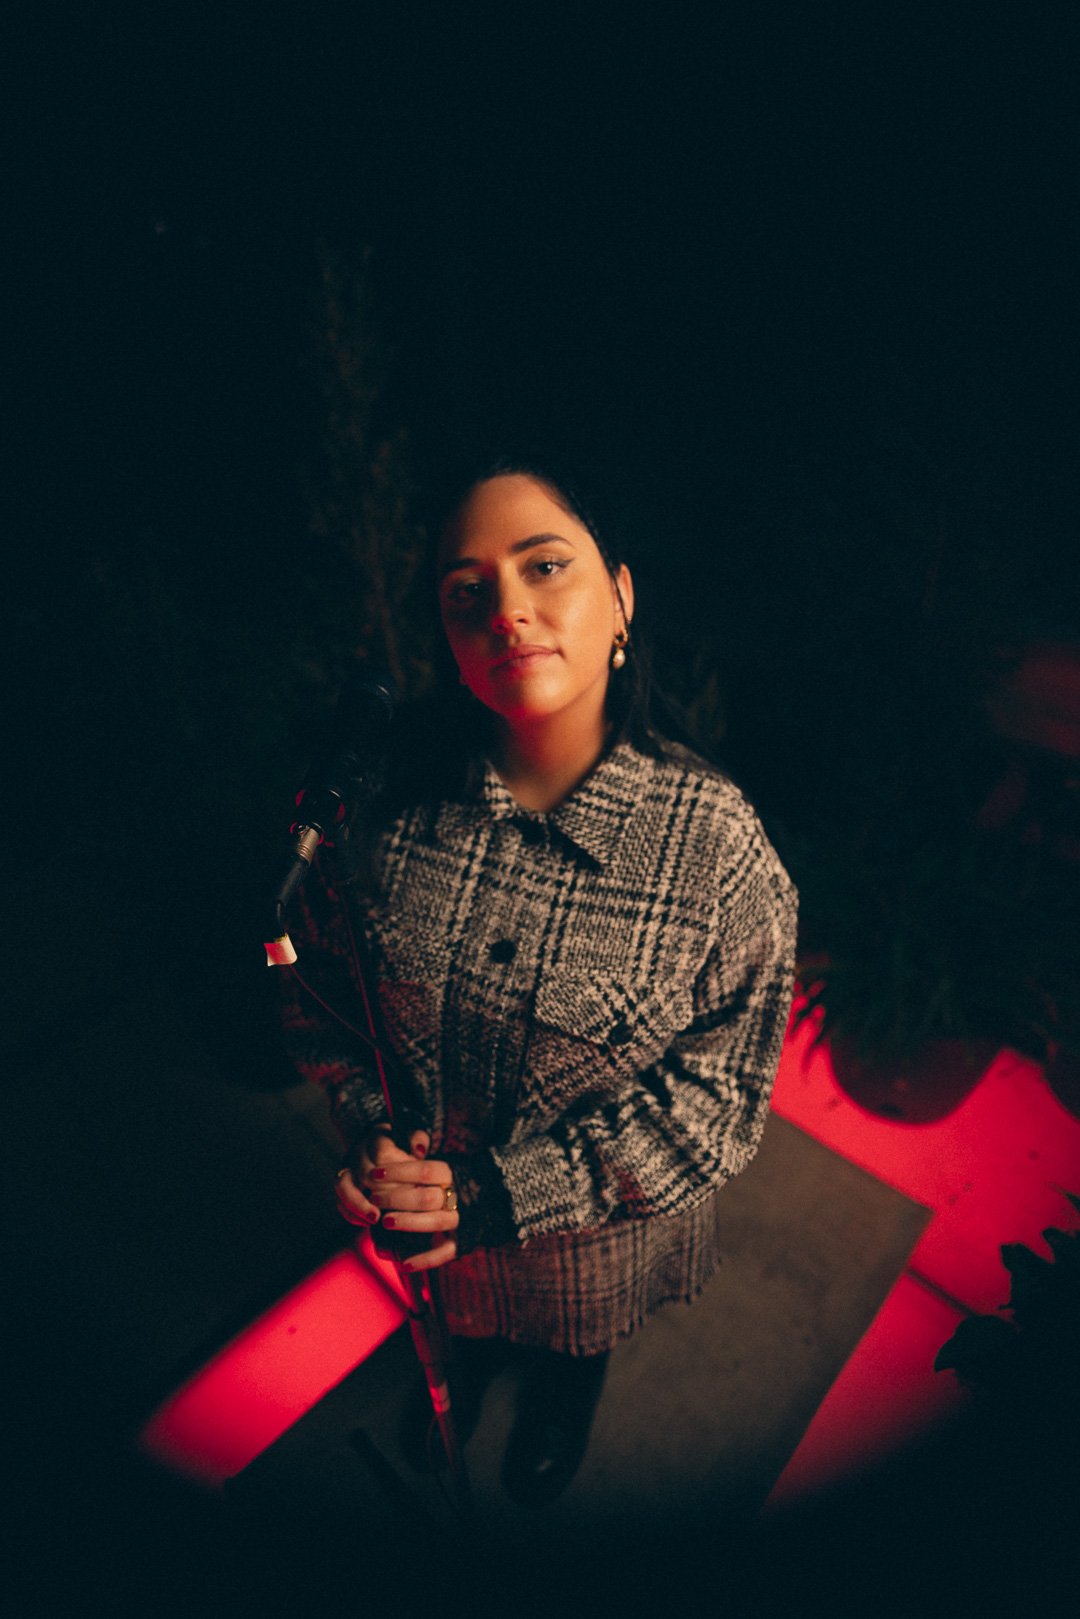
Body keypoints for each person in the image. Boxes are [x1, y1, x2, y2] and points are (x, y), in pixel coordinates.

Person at [280, 461, 798, 1506]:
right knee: (461, 1329)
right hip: (440, 1250)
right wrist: (373, 1128)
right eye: (467, 589)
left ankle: (566, 1395)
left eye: (543, 565)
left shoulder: (715, 847)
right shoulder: (387, 819)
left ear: (622, 596)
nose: (506, 608)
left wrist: (502, 1196)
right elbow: (329, 999)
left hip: (592, 1245)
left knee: (572, 1346)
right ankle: (467, 1375)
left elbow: (720, 1100)